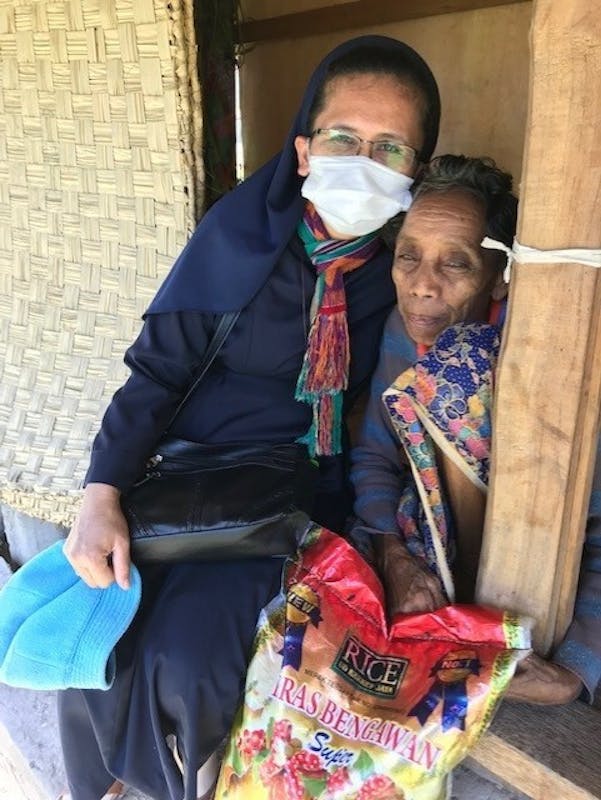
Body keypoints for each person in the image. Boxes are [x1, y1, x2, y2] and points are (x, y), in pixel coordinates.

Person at [58, 36, 441, 800]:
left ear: (416, 172)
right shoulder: (237, 241)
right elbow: (156, 373)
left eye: (389, 148)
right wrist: (99, 497)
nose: (363, 163)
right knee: (91, 650)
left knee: (191, 663)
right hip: (192, 480)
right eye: (343, 138)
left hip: (297, 501)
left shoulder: (411, 274)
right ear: (302, 150)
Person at [350, 154, 601, 707]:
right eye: (408, 256)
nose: (422, 285)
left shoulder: (555, 363)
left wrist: (574, 674)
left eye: (456, 263)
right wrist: (394, 557)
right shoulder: (403, 329)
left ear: (499, 279)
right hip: (429, 565)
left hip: (547, 604)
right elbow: (375, 456)